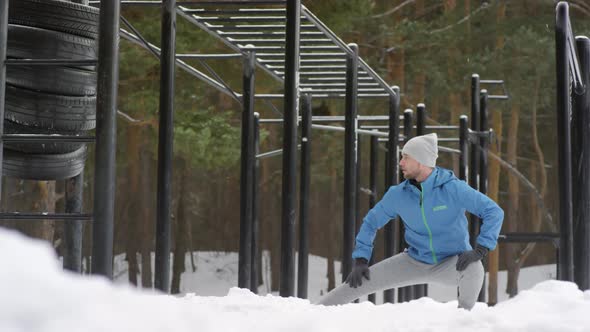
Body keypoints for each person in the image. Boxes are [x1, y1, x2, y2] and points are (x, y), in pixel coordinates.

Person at [316, 133, 504, 310]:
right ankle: (311, 312)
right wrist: (361, 259)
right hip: (413, 260)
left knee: (474, 268)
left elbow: (493, 211)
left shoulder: (453, 189)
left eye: (406, 157)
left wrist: (481, 249)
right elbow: (371, 222)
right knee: (358, 281)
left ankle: (464, 322)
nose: (401, 162)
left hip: (451, 262)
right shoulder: (398, 194)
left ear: (421, 160)